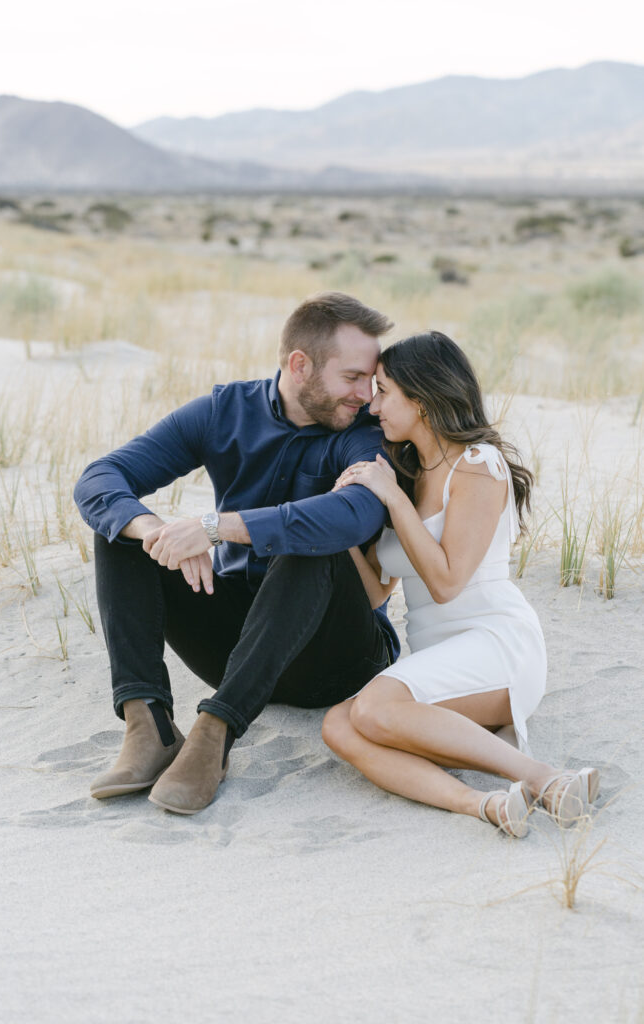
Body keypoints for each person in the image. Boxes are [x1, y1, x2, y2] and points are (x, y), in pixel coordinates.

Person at [74, 292, 399, 816]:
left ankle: (215, 733)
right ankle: (148, 725)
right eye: (353, 378)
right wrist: (157, 531)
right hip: (236, 648)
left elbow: (356, 516)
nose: (367, 394)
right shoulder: (225, 412)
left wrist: (215, 527)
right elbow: (100, 479)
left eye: (372, 380)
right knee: (123, 530)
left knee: (312, 541)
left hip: (337, 659)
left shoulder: (363, 436)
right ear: (300, 365)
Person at [322, 331, 599, 837]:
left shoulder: (478, 466)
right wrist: (336, 530)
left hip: (496, 647)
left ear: (422, 400)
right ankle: (484, 805)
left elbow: (447, 582)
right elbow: (375, 594)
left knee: (374, 708)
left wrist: (392, 499)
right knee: (338, 725)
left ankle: (546, 778)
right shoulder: (404, 471)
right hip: (438, 661)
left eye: (384, 391)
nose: (372, 405)